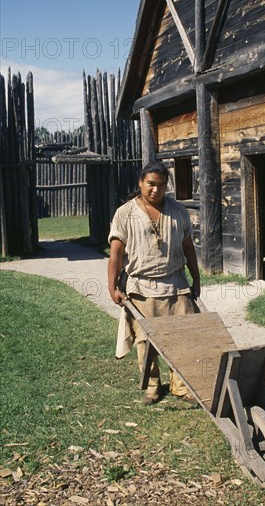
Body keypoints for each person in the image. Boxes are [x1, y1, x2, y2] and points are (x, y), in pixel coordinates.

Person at [108, 161, 201, 405]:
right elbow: (116, 253)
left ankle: (181, 386)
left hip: (175, 284)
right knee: (145, 340)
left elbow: (188, 248)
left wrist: (196, 278)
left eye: (161, 185)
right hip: (140, 286)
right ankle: (152, 386)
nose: (155, 190)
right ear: (140, 183)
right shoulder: (125, 213)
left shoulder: (178, 211)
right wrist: (112, 285)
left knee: (182, 337)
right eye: (150, 184)